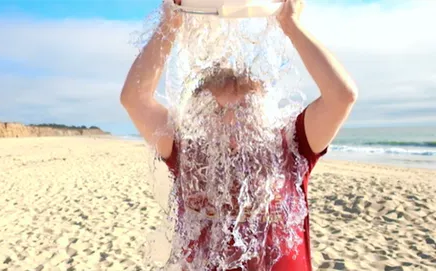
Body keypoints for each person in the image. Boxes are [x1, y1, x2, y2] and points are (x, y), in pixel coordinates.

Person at [121, 0, 358, 270]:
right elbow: (135, 99)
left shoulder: (291, 145)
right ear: (198, 117)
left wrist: (291, 25)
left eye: (244, 108)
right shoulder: (187, 152)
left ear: (263, 111)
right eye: (216, 111)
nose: (232, 120)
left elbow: (342, 96)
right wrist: (170, 25)